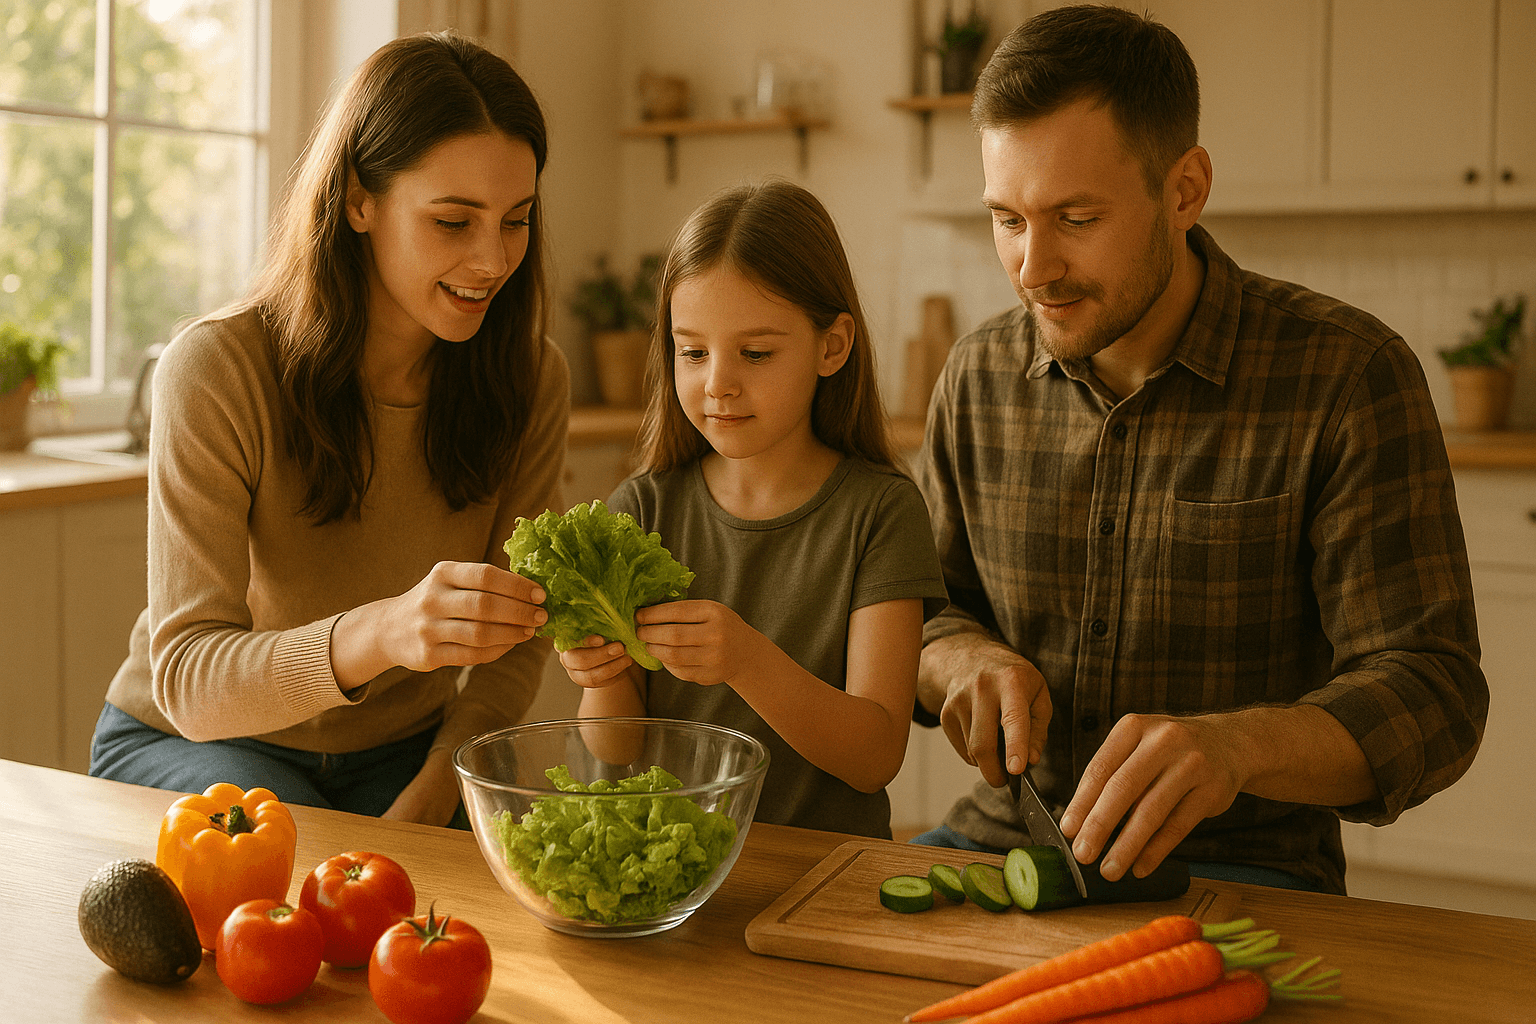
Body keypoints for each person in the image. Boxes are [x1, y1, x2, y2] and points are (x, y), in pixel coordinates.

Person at [910, 5, 1487, 894]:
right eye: (1009, 219)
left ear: (1185, 190)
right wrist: (962, 659)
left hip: (1243, 870)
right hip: (1000, 845)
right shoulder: (976, 377)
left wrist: (1237, 747)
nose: (1033, 267)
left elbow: (1433, 694)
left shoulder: (1345, 376)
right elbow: (919, 609)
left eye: (1075, 216)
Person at [89, 32, 568, 827]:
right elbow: (191, 681)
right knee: (315, 883)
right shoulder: (216, 369)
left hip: (408, 755)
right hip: (192, 742)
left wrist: (438, 790)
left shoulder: (529, 377)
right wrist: (384, 630)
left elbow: (514, 639)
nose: (492, 260)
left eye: (515, 220)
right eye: (453, 221)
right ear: (357, 200)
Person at [558, 179, 948, 839]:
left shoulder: (880, 511)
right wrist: (599, 677)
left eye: (756, 353)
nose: (718, 383)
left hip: (821, 880)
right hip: (671, 882)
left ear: (832, 346)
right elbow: (617, 747)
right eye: (693, 352)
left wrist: (745, 659)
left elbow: (875, 757)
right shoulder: (641, 507)